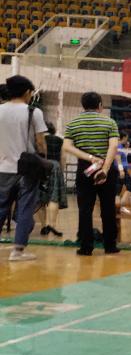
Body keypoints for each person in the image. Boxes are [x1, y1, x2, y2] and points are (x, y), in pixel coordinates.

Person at [62, 91, 120, 256]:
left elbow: (67, 147)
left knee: (85, 208)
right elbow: (113, 146)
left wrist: (89, 158)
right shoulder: (110, 122)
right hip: (106, 167)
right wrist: (105, 170)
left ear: (83, 105)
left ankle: (86, 246)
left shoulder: (73, 123)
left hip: (85, 168)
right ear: (100, 105)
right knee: (108, 207)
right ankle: (110, 246)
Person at [0, 75, 46, 262]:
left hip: (3, 167)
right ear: (27, 92)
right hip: (27, 168)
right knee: (25, 208)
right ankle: (18, 251)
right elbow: (40, 142)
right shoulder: (33, 112)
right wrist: (44, 159)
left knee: (1, 207)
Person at [39, 122, 67, 238]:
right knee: (53, 197)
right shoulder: (60, 139)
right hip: (55, 166)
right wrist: (61, 170)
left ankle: (43, 226)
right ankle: (52, 226)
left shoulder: (40, 138)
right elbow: (63, 157)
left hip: (41, 166)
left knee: (41, 198)